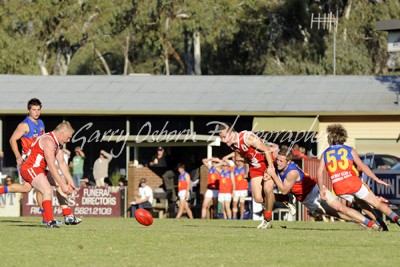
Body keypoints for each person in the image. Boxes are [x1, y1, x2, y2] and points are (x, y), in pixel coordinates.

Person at [4, 98, 79, 225]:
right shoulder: (24, 125)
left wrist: (68, 181)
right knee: (44, 188)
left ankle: (65, 216)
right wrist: (18, 156)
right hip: (29, 162)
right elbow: (12, 140)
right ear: (29, 110)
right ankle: (47, 219)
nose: (36, 112)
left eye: (38, 109)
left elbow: (59, 160)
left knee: (27, 188)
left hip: (40, 161)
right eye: (34, 110)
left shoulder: (41, 124)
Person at [267, 149, 382, 230]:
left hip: (316, 191)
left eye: (281, 161)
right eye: (277, 160)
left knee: (340, 208)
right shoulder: (278, 166)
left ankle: (372, 224)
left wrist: (272, 174)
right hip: (307, 201)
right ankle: (363, 222)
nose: (278, 163)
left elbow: (283, 190)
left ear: (289, 162)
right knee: (338, 214)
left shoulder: (292, 172)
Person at [317, 124, 400, 227]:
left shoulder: (325, 153)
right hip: (353, 183)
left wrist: (321, 190)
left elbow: (319, 172)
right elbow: (363, 166)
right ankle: (395, 217)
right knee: (376, 203)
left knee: (361, 203)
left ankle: (380, 224)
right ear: (343, 137)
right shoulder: (349, 150)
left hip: (339, 188)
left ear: (330, 138)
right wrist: (376, 179)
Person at [218, 123, 275, 229]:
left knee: (268, 190)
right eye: (221, 138)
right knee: (258, 198)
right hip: (255, 168)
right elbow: (247, 156)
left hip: (266, 164)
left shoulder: (247, 138)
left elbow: (267, 150)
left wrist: (270, 169)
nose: (223, 140)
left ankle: (267, 218)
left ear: (231, 133)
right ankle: (284, 198)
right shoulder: (233, 145)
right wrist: (248, 171)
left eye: (224, 137)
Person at [19, 121, 75, 228]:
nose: (69, 140)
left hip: (39, 169)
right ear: (61, 133)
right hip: (30, 168)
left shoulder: (57, 143)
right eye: (68, 137)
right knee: (47, 189)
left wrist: (70, 181)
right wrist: (63, 185)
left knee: (61, 181)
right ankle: (49, 221)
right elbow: (52, 165)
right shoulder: (48, 141)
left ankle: (67, 215)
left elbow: (62, 162)